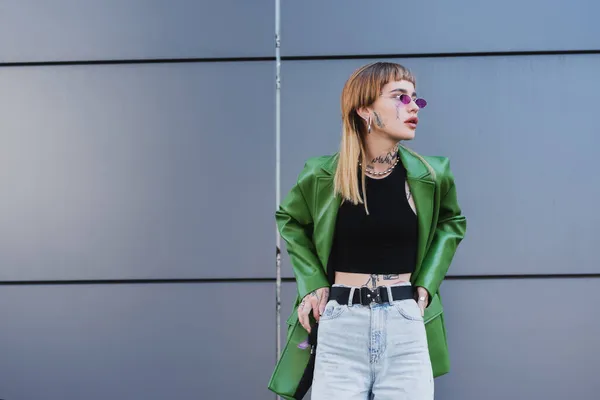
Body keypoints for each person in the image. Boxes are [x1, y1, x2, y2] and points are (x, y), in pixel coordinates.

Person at [268, 61, 467, 400]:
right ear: (363, 109)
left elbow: (452, 223)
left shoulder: (432, 174)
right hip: (341, 323)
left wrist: (426, 286)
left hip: (405, 320)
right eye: (399, 97)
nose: (413, 107)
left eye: (416, 98)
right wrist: (313, 284)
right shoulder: (322, 175)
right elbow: (289, 219)